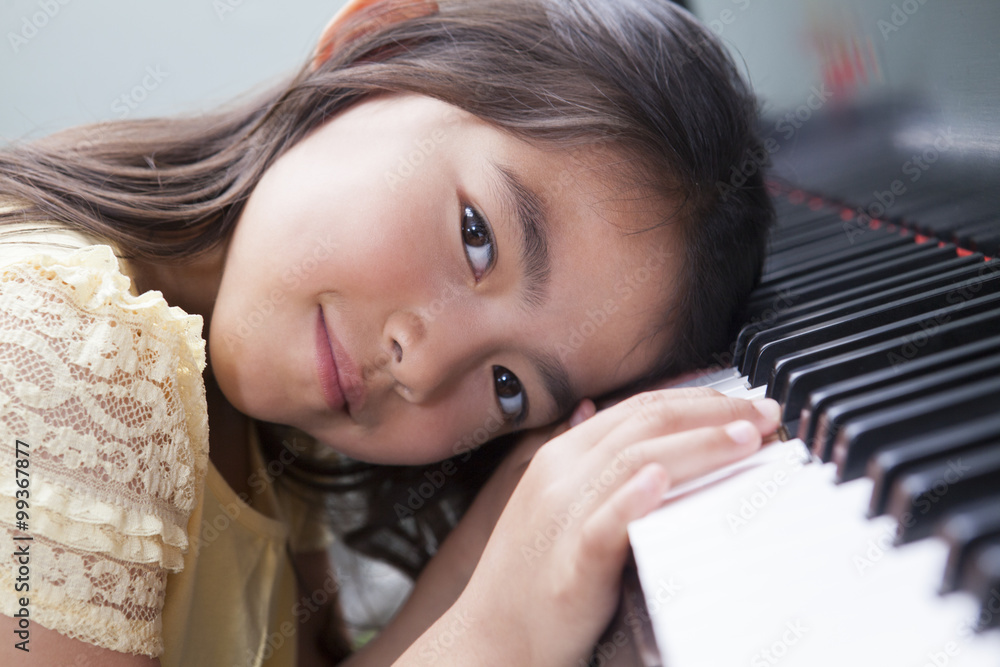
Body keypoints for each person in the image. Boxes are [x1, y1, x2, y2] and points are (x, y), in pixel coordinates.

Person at [0, 0, 778, 665]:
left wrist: (494, 543)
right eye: (479, 236)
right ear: (382, 46)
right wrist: (495, 634)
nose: (426, 365)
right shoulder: (68, 355)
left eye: (509, 385)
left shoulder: (260, 430)